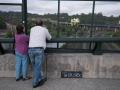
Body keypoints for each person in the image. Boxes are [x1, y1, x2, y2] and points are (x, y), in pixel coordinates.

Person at [28, 20, 51, 88]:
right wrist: (46, 29)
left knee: (36, 66)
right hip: (39, 50)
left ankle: (40, 78)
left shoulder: (32, 29)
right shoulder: (44, 29)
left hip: (30, 49)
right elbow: (49, 38)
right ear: (42, 24)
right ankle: (35, 83)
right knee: (38, 67)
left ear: (35, 24)